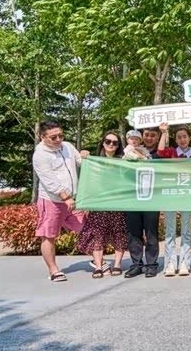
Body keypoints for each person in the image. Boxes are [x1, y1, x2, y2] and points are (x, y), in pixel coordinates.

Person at [32, 120, 89, 282]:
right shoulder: (40, 155)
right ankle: (54, 270)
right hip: (52, 201)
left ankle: (97, 261)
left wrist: (84, 156)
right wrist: (65, 197)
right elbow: (49, 181)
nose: (58, 139)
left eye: (61, 136)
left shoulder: (68, 146)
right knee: (48, 235)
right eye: (53, 137)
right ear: (43, 137)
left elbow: (80, 162)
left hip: (73, 200)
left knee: (86, 228)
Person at [75, 131, 128, 278]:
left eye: (115, 142)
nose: (111, 144)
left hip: (117, 202)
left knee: (119, 233)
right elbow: (87, 182)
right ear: (103, 143)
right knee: (97, 235)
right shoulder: (94, 161)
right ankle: (98, 266)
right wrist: (83, 155)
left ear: (118, 145)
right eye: (108, 141)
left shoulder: (123, 161)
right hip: (98, 203)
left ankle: (117, 264)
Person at [157, 123, 191, 277]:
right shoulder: (171, 152)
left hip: (187, 196)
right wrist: (164, 133)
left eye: (185, 137)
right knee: (170, 231)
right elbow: (160, 152)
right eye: (179, 137)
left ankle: (184, 263)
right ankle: (170, 263)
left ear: (189, 138)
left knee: (186, 231)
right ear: (175, 140)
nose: (182, 140)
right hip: (170, 195)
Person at [123, 128, 161, 279]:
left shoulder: (153, 153)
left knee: (151, 232)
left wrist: (141, 156)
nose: (149, 138)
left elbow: (152, 161)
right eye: (146, 135)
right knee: (133, 232)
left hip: (151, 197)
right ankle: (136, 264)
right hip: (132, 196)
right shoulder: (126, 151)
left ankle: (151, 264)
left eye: (152, 135)